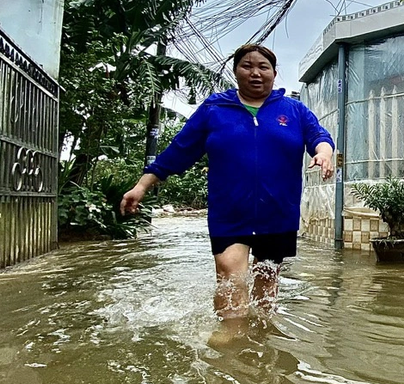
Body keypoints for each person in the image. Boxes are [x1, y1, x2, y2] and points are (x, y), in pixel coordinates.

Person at [121, 44, 334, 332]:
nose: (255, 73)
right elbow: (179, 150)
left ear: (274, 73)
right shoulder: (214, 109)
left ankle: (261, 343)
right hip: (230, 212)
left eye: (263, 67)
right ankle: (230, 341)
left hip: (277, 212)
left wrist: (323, 153)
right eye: (247, 66)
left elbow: (319, 136)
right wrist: (142, 185)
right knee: (231, 275)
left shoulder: (294, 110)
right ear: (235, 72)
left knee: (267, 283)